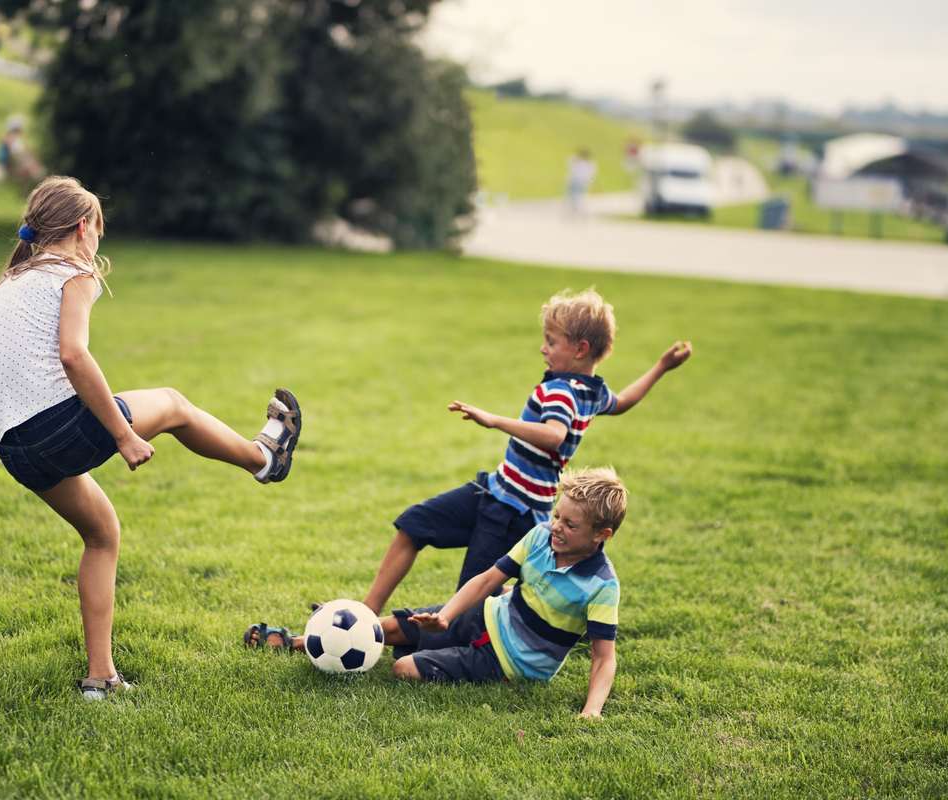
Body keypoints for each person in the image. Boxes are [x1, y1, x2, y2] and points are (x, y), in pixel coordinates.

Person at [0, 176, 302, 700]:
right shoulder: (74, 271)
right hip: (56, 428)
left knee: (102, 533)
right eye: (99, 231)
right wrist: (122, 434)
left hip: (13, 448)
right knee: (175, 404)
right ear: (82, 227)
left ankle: (101, 679)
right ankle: (262, 459)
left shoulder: (15, 280)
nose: (99, 243)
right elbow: (73, 354)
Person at [357, 287, 689, 616]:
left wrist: (495, 420)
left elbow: (554, 435)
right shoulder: (593, 391)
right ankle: (367, 611)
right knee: (416, 523)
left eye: (551, 341)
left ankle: (542, 600)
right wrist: (661, 367)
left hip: (514, 513)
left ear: (580, 348)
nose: (542, 348)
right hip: (495, 490)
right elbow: (623, 403)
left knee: (470, 598)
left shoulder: (563, 392)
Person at [246, 466, 627, 718]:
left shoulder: (602, 586)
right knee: (391, 627)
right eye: (556, 515)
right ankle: (298, 640)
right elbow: (486, 581)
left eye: (570, 525)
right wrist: (447, 615)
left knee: (403, 668)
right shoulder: (541, 536)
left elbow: (602, 658)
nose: (556, 527)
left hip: (511, 664)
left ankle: (427, 652)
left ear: (601, 534)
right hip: (486, 615)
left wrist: (591, 711)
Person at [566, 149, 597, 217]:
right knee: (573, 196)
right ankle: (573, 210)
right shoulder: (577, 162)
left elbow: (592, 174)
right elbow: (570, 162)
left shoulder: (590, 164)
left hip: (583, 183)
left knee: (582, 197)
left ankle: (581, 211)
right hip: (575, 181)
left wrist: (589, 181)